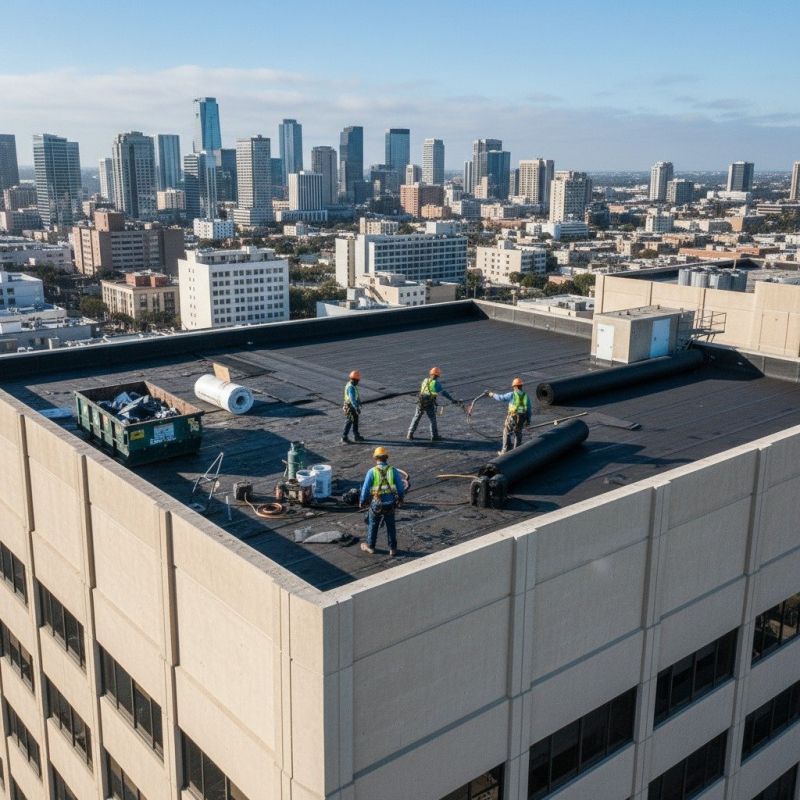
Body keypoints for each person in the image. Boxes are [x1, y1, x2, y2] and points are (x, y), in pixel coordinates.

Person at [359, 446, 405, 556]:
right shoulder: (392, 470)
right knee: (391, 526)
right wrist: (400, 498)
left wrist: (362, 501)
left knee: (373, 524)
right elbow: (400, 487)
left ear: (375, 458)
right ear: (386, 458)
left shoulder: (372, 472)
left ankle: (370, 546)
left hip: (376, 504)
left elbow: (365, 489)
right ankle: (392, 549)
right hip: (390, 503)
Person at [407, 366, 463, 441]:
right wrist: (452, 400)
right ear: (438, 376)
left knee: (416, 417)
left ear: (430, 374)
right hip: (429, 403)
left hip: (420, 401)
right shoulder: (436, 383)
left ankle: (410, 434)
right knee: (432, 419)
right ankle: (434, 436)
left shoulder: (425, 380)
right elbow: (443, 393)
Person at [488, 377, 532, 453]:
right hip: (522, 418)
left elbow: (500, 398)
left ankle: (505, 451)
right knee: (518, 434)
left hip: (513, 417)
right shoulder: (526, 396)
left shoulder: (512, 395)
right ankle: (516, 452)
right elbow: (529, 410)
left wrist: (492, 394)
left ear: (515, 386)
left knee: (506, 432)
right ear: (521, 386)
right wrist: (528, 421)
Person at [341, 369, 365, 443]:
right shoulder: (351, 387)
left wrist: (359, 402)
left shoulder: (351, 384)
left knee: (355, 421)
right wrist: (356, 407)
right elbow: (352, 399)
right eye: (358, 380)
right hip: (350, 407)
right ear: (355, 379)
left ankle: (356, 436)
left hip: (352, 406)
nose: (358, 382)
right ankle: (344, 437)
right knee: (349, 421)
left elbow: (356, 396)